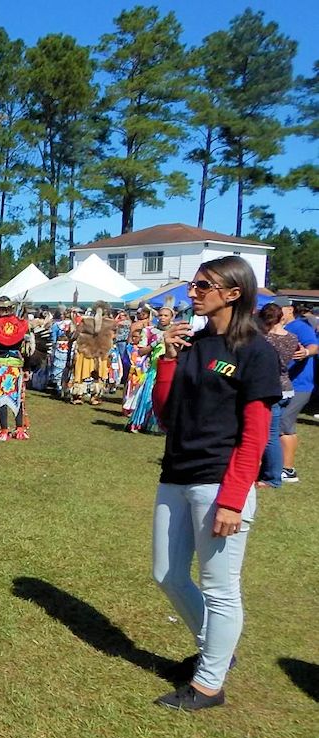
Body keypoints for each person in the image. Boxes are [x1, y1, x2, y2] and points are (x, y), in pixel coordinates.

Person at [149, 256, 280, 711]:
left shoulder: (255, 351)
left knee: (220, 586)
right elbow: (166, 413)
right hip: (176, 473)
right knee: (166, 573)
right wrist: (167, 360)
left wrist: (232, 500)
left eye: (203, 285)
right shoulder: (193, 344)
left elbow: (256, 434)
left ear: (233, 293)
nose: (192, 292)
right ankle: (219, 653)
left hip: (219, 481)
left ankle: (209, 684)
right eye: (193, 283)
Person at [258, 303, 300, 488]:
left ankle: (272, 477)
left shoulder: (264, 338)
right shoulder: (292, 338)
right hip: (286, 386)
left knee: (270, 436)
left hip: (271, 388)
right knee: (273, 433)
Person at [280, 300, 317, 483]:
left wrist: (306, 353)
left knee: (284, 423)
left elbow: (313, 345)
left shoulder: (300, 327)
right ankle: (282, 466)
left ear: (289, 309)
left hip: (300, 385)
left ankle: (288, 470)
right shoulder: (280, 327)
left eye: (280, 309)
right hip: (286, 385)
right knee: (285, 425)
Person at [128, 306, 173, 434]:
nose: (163, 318)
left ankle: (160, 425)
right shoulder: (149, 331)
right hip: (154, 368)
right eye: (161, 315)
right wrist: (155, 342)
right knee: (149, 396)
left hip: (170, 368)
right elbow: (141, 351)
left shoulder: (175, 331)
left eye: (166, 316)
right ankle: (141, 422)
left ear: (172, 317)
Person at [0, 298, 30, 441]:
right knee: (17, 396)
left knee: (1, 396)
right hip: (16, 365)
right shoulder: (21, 324)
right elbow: (27, 349)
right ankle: (19, 430)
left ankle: (4, 431)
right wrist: (28, 367)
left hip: (0, 365)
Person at [70, 303, 115, 405]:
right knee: (98, 375)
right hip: (98, 352)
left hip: (88, 351)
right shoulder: (110, 323)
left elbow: (76, 334)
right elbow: (113, 337)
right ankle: (94, 397)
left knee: (82, 374)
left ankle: (79, 396)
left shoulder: (86, 321)